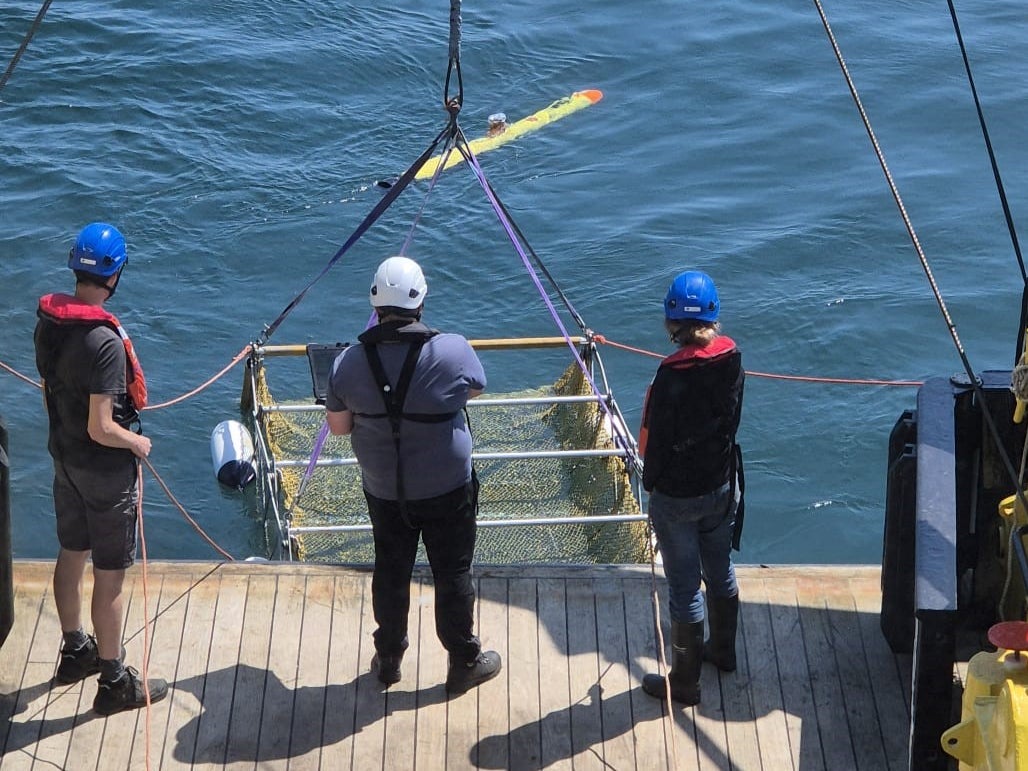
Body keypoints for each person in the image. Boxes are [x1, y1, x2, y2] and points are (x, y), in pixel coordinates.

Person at [325, 255, 502, 694]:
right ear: (420, 301)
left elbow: (338, 427)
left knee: (391, 568)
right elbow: (476, 387)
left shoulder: (347, 363)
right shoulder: (452, 349)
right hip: (448, 488)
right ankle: (463, 660)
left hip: (385, 491)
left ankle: (389, 657)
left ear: (375, 303)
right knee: (453, 571)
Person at [34, 222, 168, 715]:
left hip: (62, 459)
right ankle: (113, 681)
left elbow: (53, 390)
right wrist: (139, 441)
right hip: (103, 472)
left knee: (71, 554)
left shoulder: (49, 322)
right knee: (109, 577)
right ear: (115, 274)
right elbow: (101, 427)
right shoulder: (105, 344)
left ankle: (76, 651)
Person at [638, 269, 745, 706]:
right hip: (721, 487)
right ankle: (722, 652)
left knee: (684, 587)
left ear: (671, 322)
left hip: (677, 499)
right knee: (719, 568)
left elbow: (649, 443)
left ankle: (683, 685)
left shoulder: (668, 376)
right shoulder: (733, 359)